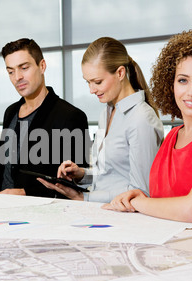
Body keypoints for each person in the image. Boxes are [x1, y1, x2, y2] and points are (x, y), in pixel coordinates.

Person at [104, 30, 192, 222]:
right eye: (183, 80)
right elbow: (163, 200)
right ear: (171, 85)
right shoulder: (173, 135)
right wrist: (137, 196)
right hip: (166, 243)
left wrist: (138, 203)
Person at [38, 37, 164, 203]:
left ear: (120, 73)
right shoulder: (107, 113)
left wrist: (85, 197)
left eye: (97, 82)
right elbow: (110, 174)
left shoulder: (141, 118)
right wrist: (81, 174)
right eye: (88, 82)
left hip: (127, 219)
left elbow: (141, 191)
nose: (91, 89)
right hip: (102, 213)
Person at [0, 38, 90, 198]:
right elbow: (3, 170)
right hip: (1, 210)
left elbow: (74, 185)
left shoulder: (71, 116)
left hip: (44, 216)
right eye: (11, 71)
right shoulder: (10, 112)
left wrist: (25, 193)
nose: (17, 77)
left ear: (42, 66)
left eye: (24, 68)